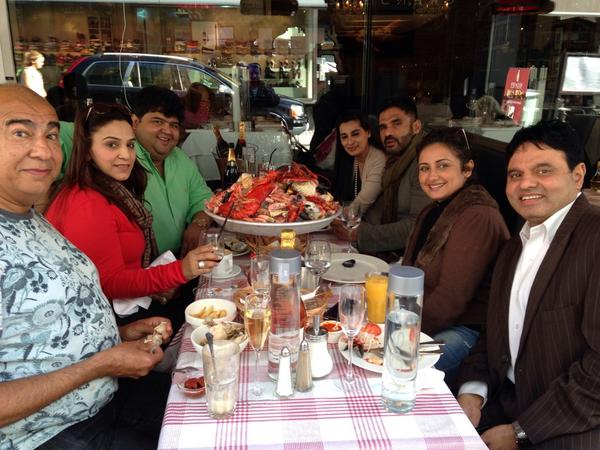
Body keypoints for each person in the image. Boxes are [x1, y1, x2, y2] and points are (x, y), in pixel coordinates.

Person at [0, 85, 173, 449]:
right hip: (47, 433)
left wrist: (119, 336)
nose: (43, 149)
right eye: (20, 133)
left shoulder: (30, 218)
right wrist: (100, 364)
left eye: (50, 134)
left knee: (220, 404)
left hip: (106, 396)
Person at [457, 120, 600, 449]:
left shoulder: (594, 239)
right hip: (500, 409)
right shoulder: (512, 248)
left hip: (569, 430)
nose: (526, 184)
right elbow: (492, 336)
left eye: (544, 170)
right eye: (515, 174)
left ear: (577, 176)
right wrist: (471, 393)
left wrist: (522, 430)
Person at [45, 103, 221, 321]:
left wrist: (165, 278)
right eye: (111, 145)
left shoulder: (112, 189)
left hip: (134, 298)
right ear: (87, 151)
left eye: (130, 146)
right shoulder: (86, 202)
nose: (125, 155)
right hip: (111, 318)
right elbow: (108, 283)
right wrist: (180, 271)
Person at [402, 128, 509, 385]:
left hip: (466, 332)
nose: (431, 176)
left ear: (467, 169)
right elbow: (406, 273)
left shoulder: (478, 215)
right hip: (424, 320)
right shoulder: (431, 211)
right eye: (424, 168)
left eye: (443, 166)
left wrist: (397, 333)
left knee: (397, 363)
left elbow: (451, 302)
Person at [58, 86, 213, 257]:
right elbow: (58, 133)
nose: (167, 131)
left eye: (174, 125)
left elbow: (204, 199)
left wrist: (199, 223)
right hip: (136, 271)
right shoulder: (120, 154)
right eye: (157, 121)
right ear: (135, 122)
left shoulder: (180, 158)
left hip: (176, 264)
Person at [332, 97, 430, 256]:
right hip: (383, 247)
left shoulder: (424, 164)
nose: (388, 133)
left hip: (408, 258)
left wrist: (359, 233)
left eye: (397, 123)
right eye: (383, 127)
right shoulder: (395, 160)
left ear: (416, 126)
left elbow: (418, 226)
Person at [332, 111, 386, 215]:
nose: (350, 142)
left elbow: (362, 203)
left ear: (368, 132)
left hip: (373, 226)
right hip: (352, 221)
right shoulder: (350, 158)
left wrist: (327, 215)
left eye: (355, 134)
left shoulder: (379, 158)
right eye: (344, 137)